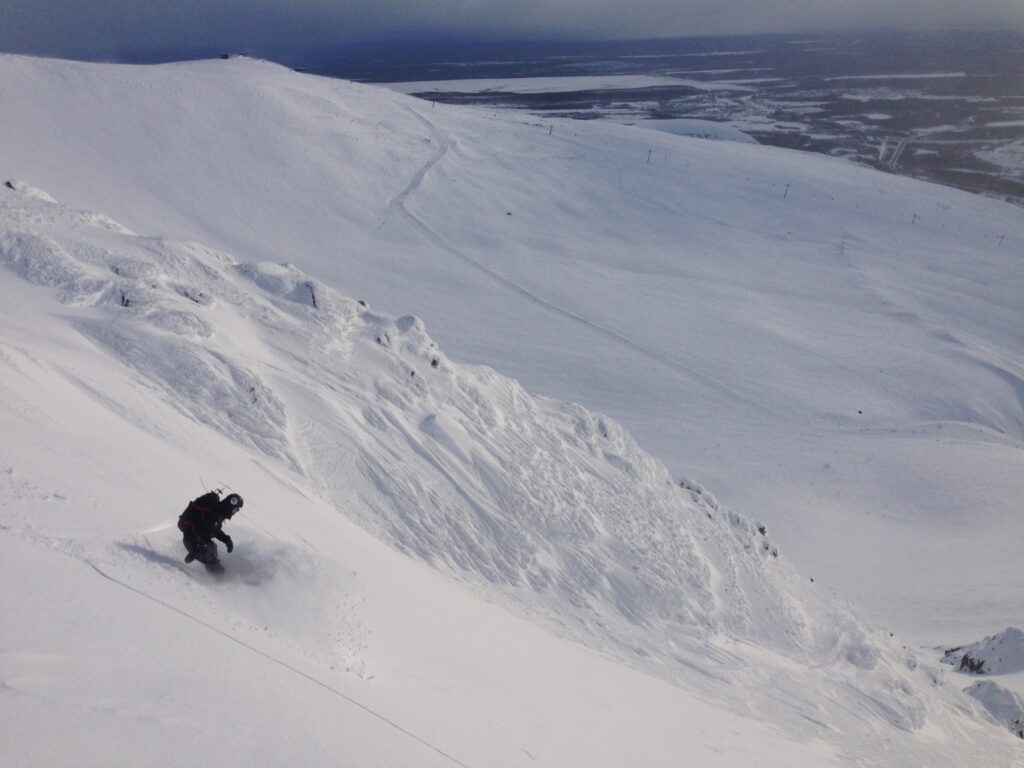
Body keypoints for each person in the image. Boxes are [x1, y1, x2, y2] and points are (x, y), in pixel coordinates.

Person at [178, 490, 243, 573]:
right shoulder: (215, 515)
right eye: (237, 508)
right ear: (232, 505)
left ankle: (213, 573)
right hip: (192, 541)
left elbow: (213, 529)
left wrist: (226, 539)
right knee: (212, 562)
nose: (237, 511)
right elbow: (202, 530)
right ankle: (218, 583)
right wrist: (194, 552)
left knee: (213, 548)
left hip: (195, 540)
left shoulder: (218, 512)